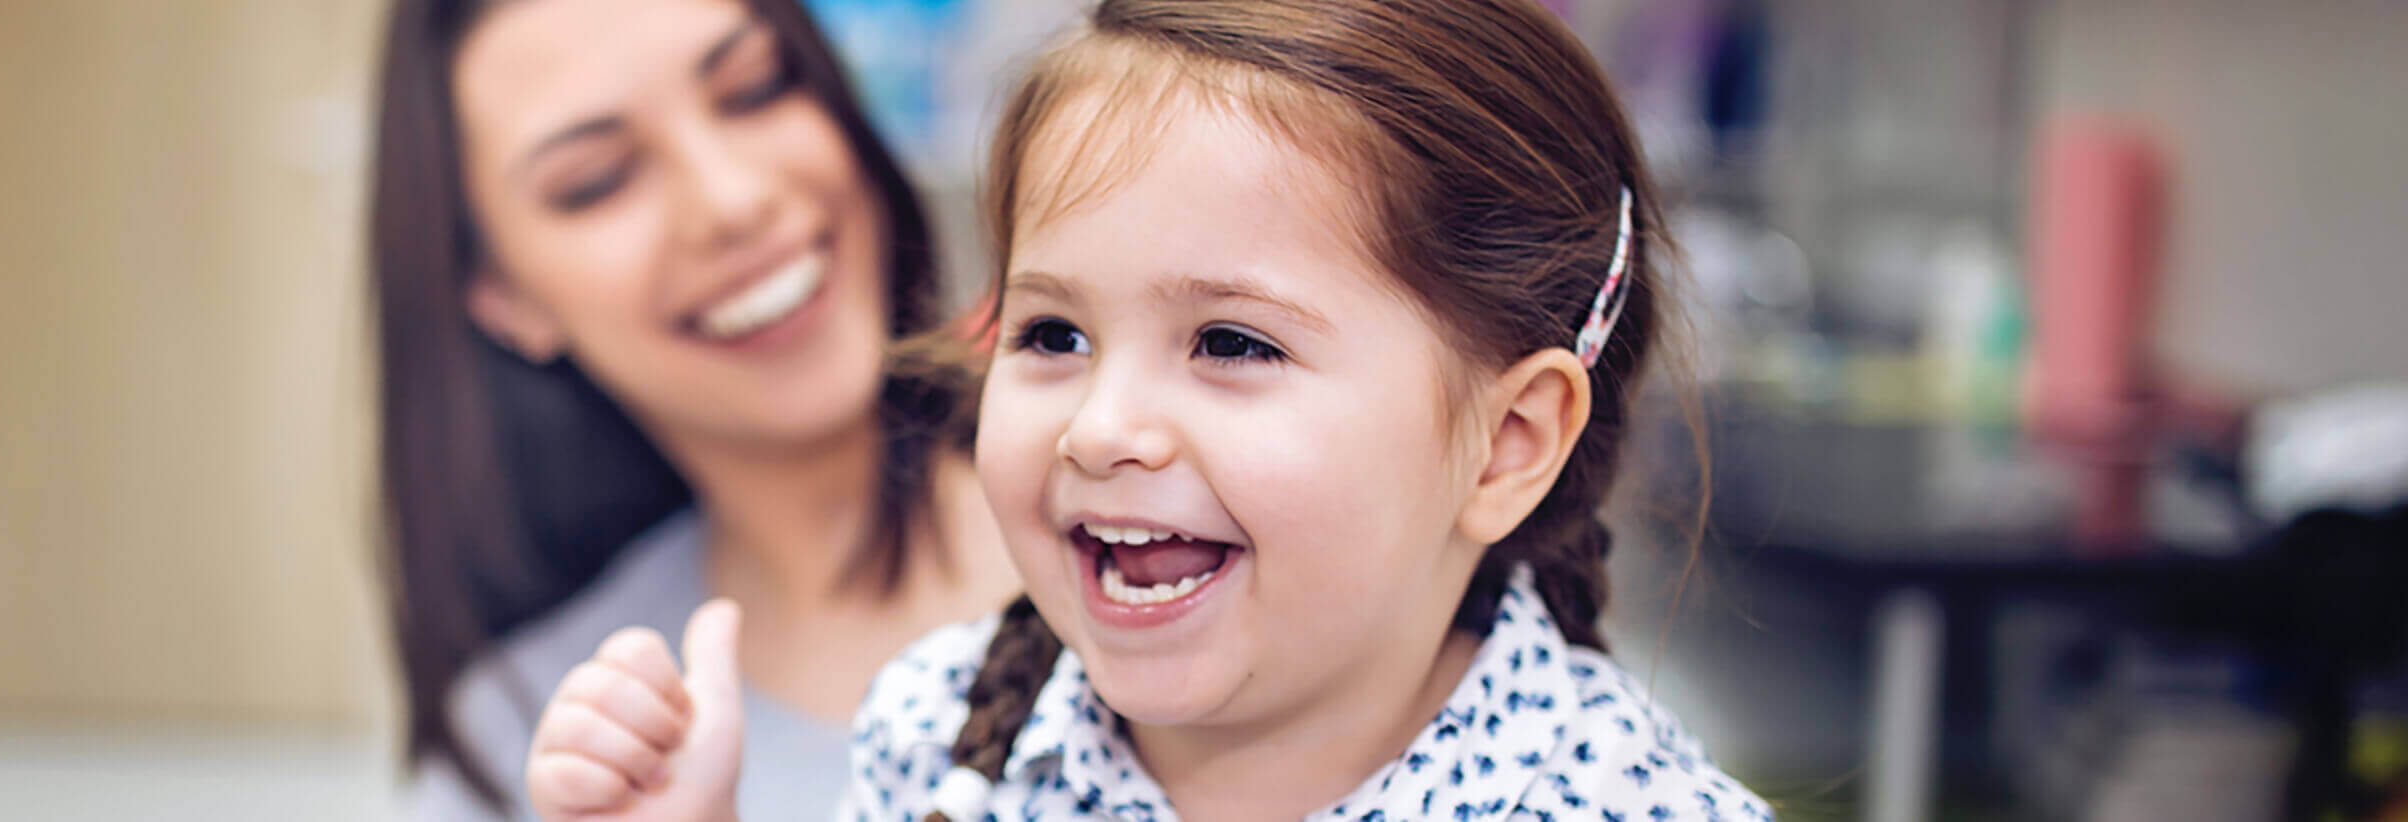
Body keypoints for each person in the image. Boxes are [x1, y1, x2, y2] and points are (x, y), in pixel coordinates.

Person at [520, 0, 1777, 818]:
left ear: (1506, 444)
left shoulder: (1619, 802)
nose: (1103, 427)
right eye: (1054, 333)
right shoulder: (942, 742)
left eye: (1231, 343)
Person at [366, 0, 1016, 816]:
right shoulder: (520, 750)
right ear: (500, 296)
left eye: (755, 90)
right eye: (597, 180)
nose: (731, 200)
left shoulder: (1172, 531)